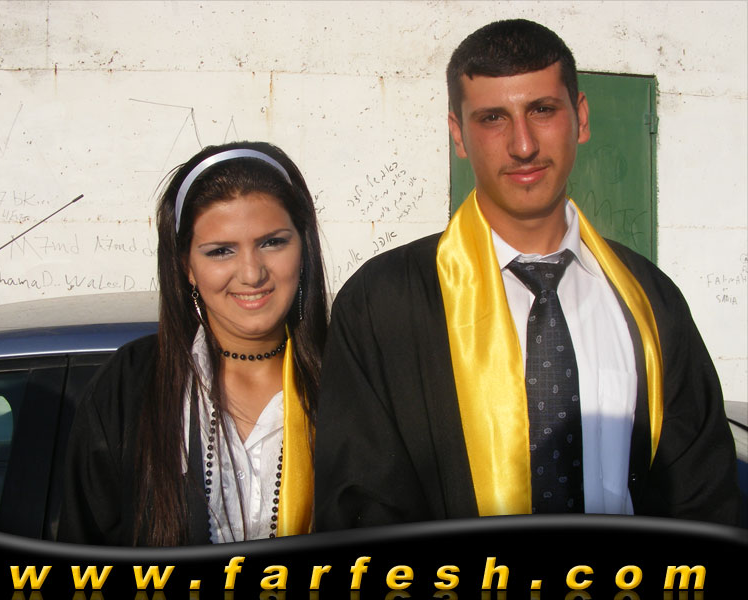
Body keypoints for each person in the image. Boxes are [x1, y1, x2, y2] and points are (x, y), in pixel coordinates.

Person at [314, 19, 739, 529]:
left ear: (581, 118)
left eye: (542, 110)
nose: (522, 145)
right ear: (459, 135)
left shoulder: (651, 300)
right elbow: (361, 506)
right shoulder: (381, 305)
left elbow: (702, 494)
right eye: (493, 118)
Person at [59, 141, 328, 545]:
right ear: (186, 266)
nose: (251, 273)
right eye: (221, 251)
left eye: (272, 242)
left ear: (303, 248)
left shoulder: (352, 380)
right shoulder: (131, 387)